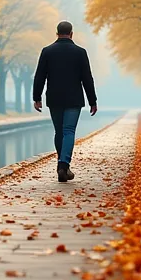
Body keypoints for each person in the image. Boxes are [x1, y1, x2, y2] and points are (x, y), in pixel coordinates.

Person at [32, 20, 97, 182]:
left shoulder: (47, 51)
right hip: (74, 98)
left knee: (59, 132)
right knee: (69, 131)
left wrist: (37, 97)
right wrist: (92, 100)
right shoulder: (80, 52)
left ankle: (62, 165)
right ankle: (63, 165)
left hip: (54, 98)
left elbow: (40, 76)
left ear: (57, 33)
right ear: (71, 34)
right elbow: (87, 78)